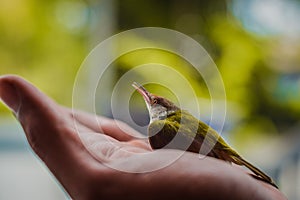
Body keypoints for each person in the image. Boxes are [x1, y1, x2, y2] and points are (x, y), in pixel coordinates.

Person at [0, 75, 286, 200]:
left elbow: (197, 149)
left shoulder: (159, 129)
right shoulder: (170, 123)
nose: (148, 99)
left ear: (162, 109)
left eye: (153, 100)